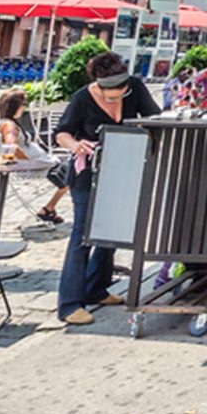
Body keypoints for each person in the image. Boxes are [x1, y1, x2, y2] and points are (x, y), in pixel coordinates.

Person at [55, 50, 160, 326]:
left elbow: (154, 118)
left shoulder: (134, 87)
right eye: (112, 92)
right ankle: (69, 304)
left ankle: (96, 288)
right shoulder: (81, 98)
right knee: (83, 233)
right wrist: (75, 144)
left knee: (113, 229)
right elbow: (62, 133)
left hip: (122, 169)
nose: (119, 95)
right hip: (87, 173)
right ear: (99, 86)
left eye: (123, 90)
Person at [0, 90, 68, 224]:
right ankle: (48, 209)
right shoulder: (8, 126)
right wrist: (31, 161)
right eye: (23, 104)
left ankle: (49, 208)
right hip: (33, 165)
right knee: (72, 174)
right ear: (15, 106)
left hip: (40, 162)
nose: (25, 107)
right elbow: (10, 148)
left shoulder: (7, 122)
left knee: (69, 173)